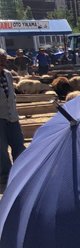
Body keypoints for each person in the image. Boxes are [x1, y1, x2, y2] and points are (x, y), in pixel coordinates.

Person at [0, 49, 25, 188]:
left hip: (12, 117)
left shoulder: (8, 75)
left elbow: (12, 96)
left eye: (4, 59)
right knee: (1, 149)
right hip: (0, 117)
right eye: (0, 59)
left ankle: (21, 172)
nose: (3, 62)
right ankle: (5, 176)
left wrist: (14, 113)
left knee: (19, 145)